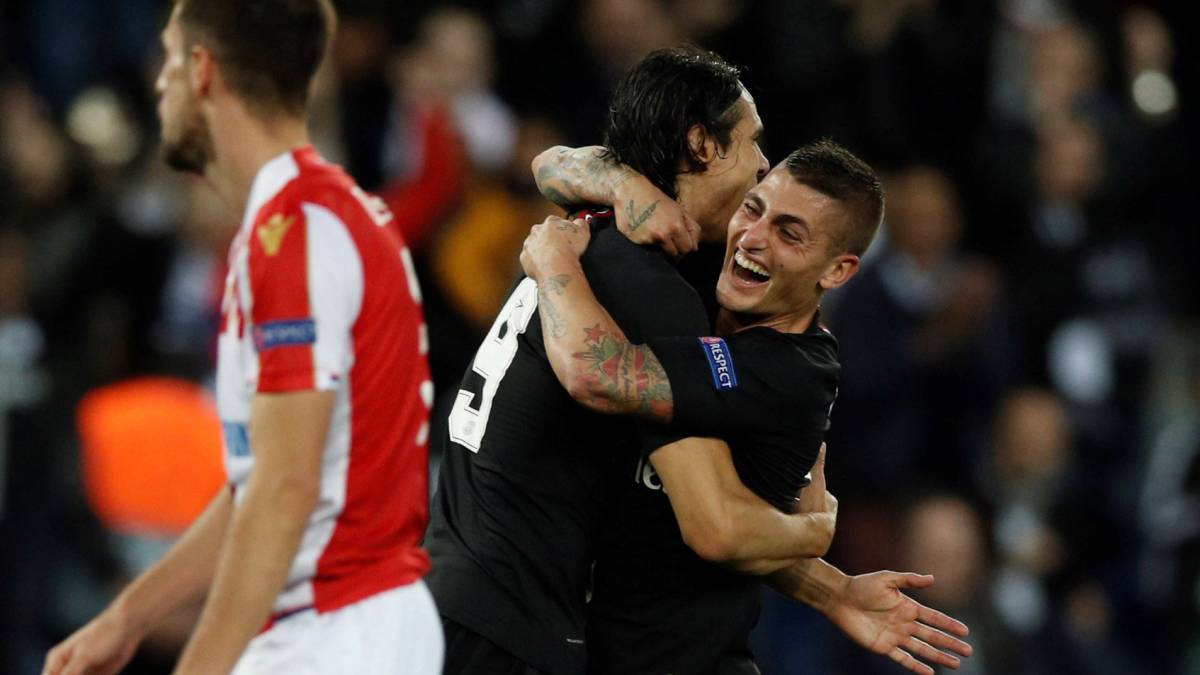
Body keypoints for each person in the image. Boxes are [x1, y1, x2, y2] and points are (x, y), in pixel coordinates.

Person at [42, 2, 441, 673]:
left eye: (168, 58)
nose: (158, 85)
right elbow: (261, 482)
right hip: (333, 622)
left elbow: (285, 489)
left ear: (201, 71)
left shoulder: (296, 231)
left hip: (339, 627)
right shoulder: (301, 218)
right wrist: (126, 617)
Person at [425, 46, 844, 675]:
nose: (763, 164)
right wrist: (816, 534)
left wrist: (617, 183)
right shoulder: (648, 287)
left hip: (449, 591)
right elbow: (714, 523)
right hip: (511, 622)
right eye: (753, 142)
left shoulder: (590, 221)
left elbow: (554, 162)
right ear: (702, 144)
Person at [524, 141, 971, 674]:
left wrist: (553, 265)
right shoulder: (720, 266)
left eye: (790, 234)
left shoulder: (789, 374)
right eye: (754, 209)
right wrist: (626, 186)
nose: (753, 239)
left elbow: (719, 528)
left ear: (837, 272)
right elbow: (550, 165)